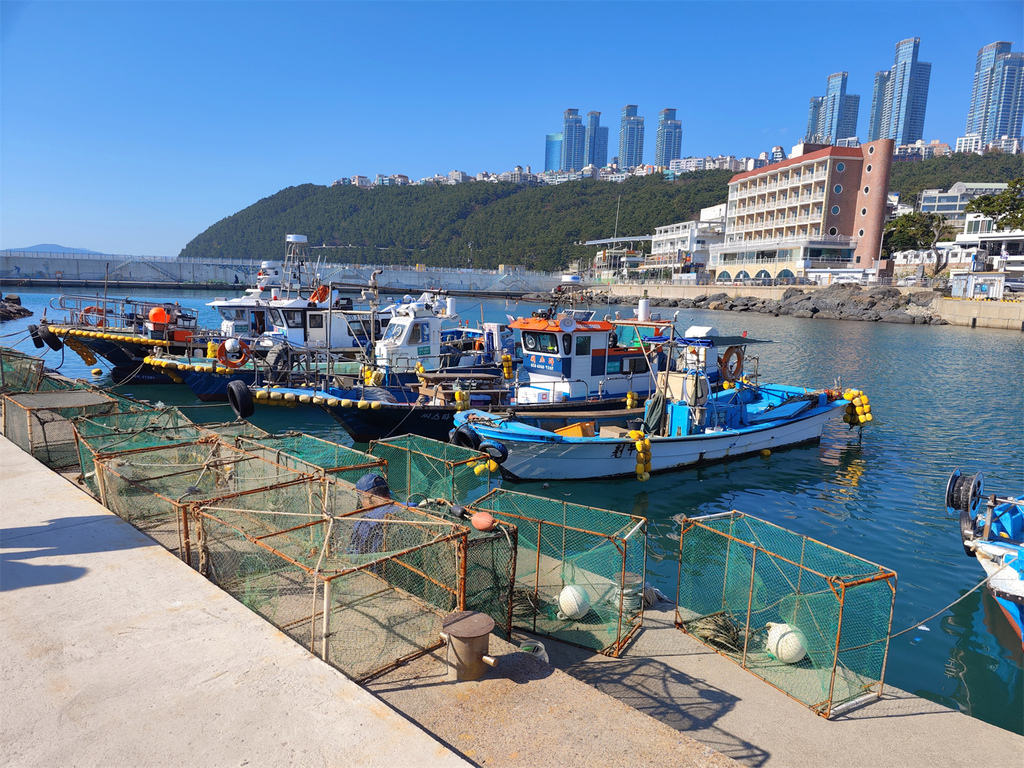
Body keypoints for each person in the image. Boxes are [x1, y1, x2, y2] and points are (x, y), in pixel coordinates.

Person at [348, 473, 399, 555]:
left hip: (378, 566)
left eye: (362, 501)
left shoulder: (366, 522)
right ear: (388, 493)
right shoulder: (407, 508)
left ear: (368, 498)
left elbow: (353, 555)